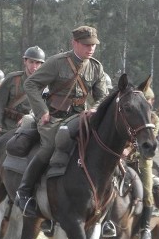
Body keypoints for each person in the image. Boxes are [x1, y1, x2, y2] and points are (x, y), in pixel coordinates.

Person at [15, 26, 107, 217]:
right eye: (86, 44)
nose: (91, 49)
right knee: (50, 148)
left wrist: (95, 108)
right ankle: (23, 192)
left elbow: (103, 96)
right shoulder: (57, 63)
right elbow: (31, 84)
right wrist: (42, 111)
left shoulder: (96, 67)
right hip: (54, 117)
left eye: (93, 45)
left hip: (80, 118)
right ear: (74, 43)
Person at [0, 47, 45, 137]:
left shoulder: (46, 85)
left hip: (32, 128)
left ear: (42, 64)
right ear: (25, 61)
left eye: (37, 63)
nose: (34, 66)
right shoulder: (13, 78)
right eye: (31, 62)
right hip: (7, 127)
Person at [136, 86, 159, 239]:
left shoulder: (155, 120)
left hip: (143, 160)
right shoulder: (133, 114)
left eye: (147, 100)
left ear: (152, 102)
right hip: (125, 158)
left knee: (147, 191)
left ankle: (145, 228)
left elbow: (148, 143)